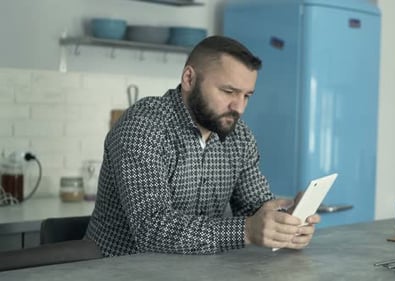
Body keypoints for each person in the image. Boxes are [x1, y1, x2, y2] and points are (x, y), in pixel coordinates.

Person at [85, 35, 321, 257]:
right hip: (120, 271)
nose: (238, 107)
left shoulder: (239, 136)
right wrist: (247, 231)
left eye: (247, 96)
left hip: (199, 271)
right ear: (189, 79)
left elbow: (255, 207)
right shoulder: (144, 126)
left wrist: (286, 222)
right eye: (229, 91)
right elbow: (152, 229)